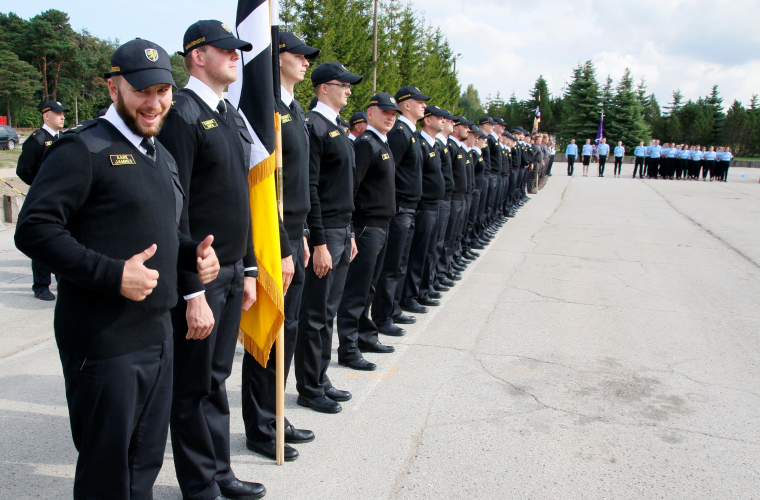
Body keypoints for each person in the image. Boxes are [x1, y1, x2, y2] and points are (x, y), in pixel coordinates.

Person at [15, 38, 221, 500]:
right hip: (104, 342)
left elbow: (162, 234)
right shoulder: (82, 148)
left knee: (142, 467)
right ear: (114, 88)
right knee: (107, 476)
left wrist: (192, 256)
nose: (154, 103)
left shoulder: (161, 155)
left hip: (158, 338)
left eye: (163, 91)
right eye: (141, 91)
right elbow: (33, 230)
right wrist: (112, 275)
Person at [156, 21, 266, 500]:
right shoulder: (181, 113)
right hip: (197, 276)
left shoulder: (230, 115)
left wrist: (245, 268)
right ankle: (199, 485)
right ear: (198, 56)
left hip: (228, 270)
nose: (236, 56)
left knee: (215, 379)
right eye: (226, 50)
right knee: (194, 386)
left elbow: (236, 200)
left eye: (238, 49)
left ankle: (220, 473)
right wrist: (192, 290)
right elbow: (174, 208)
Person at [241, 31, 319, 463]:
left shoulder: (294, 109)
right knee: (268, 334)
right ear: (277, 58)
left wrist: (305, 234)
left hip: (296, 236)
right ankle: (260, 426)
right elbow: (265, 188)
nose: (306, 62)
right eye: (299, 55)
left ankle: (276, 412)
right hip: (276, 241)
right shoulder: (266, 111)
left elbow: (301, 184)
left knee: (287, 334)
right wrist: (285, 245)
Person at [295, 62, 362, 413]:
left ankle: (320, 378)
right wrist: (319, 242)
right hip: (325, 233)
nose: (348, 91)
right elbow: (312, 189)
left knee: (329, 311)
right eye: (343, 85)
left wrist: (348, 232)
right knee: (316, 314)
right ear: (323, 88)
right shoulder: (313, 126)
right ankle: (308, 386)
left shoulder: (337, 127)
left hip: (341, 230)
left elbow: (341, 188)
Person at [336, 92, 400, 371]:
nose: (390, 117)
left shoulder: (380, 143)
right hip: (366, 227)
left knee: (369, 287)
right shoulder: (366, 144)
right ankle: (348, 348)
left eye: (394, 113)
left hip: (381, 226)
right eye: (384, 111)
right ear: (370, 113)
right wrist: (351, 229)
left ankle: (365, 336)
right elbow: (352, 188)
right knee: (357, 291)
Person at [371, 86, 428, 332]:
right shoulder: (399, 132)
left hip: (409, 207)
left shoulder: (409, 131)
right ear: (406, 104)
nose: (424, 106)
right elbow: (388, 172)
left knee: (400, 263)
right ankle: (383, 316)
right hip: (399, 207)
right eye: (419, 102)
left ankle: (393, 309)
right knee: (391, 265)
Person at [16, 100, 69, 301]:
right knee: (43, 238)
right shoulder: (37, 139)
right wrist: (40, 186)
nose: (62, 116)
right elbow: (23, 169)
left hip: (63, 196)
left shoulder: (65, 138)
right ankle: (41, 286)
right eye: (58, 113)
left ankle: (62, 280)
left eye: (63, 113)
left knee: (63, 239)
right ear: (46, 115)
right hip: (44, 196)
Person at [400, 105, 447, 312]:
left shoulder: (433, 145)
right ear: (427, 120)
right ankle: (411, 295)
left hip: (433, 204)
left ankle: (422, 289)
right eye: (440, 118)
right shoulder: (418, 142)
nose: (444, 121)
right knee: (417, 254)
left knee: (429, 250)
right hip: (421, 206)